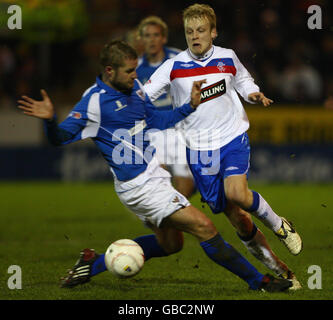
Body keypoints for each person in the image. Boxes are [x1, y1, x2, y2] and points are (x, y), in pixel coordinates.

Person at [18, 40, 291, 292]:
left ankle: (93, 263)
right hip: (139, 188)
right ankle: (259, 281)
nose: (135, 76)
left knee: (171, 245)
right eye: (128, 71)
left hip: (156, 175)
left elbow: (157, 120)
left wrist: (189, 107)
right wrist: (50, 120)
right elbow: (59, 138)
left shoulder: (135, 88)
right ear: (109, 71)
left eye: (135, 69)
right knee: (205, 227)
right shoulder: (93, 103)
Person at [143, 4, 302, 289]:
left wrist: (255, 95)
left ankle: (279, 224)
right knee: (238, 219)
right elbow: (144, 94)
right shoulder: (174, 66)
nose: (195, 36)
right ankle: (283, 271)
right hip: (199, 151)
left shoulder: (227, 57)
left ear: (213, 32)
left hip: (232, 137)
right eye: (190, 31)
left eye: (201, 30)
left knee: (237, 193)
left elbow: (243, 81)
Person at [136, 16, 195, 198]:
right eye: (147, 35)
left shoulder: (179, 59)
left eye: (156, 35)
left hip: (181, 128)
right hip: (152, 131)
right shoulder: (135, 68)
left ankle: (174, 215)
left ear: (164, 38)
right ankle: (168, 219)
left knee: (186, 183)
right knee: (157, 183)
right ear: (141, 39)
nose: (152, 39)